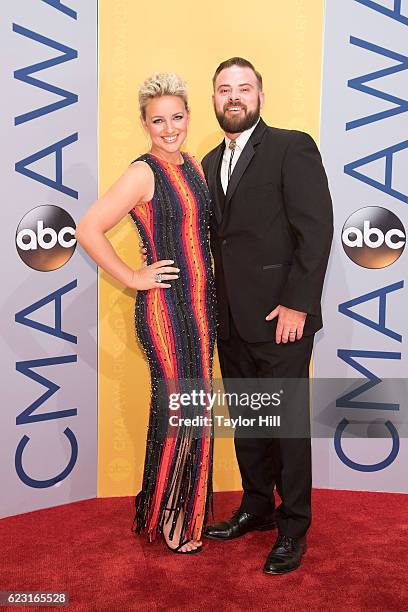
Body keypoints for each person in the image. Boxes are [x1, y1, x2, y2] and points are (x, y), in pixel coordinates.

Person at [201, 57, 333, 574]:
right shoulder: (209, 161)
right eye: (224, 89)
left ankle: (293, 525)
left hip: (283, 317)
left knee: (287, 427)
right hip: (231, 320)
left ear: (260, 94)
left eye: (244, 88)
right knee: (251, 424)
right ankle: (256, 507)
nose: (234, 97)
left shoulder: (290, 146)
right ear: (214, 99)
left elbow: (315, 229)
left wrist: (298, 303)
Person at [76, 73, 216, 554]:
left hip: (201, 313)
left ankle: (171, 510)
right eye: (159, 120)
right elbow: (88, 229)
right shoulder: (144, 172)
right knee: (183, 410)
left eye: (177, 117)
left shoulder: (193, 166)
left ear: (188, 117)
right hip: (166, 311)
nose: (170, 128)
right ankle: (172, 519)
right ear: (144, 124)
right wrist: (134, 276)